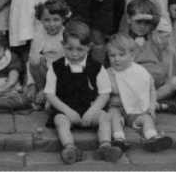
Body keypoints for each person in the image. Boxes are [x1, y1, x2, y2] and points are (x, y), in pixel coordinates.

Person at [44, 20, 122, 164]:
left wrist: (92, 111)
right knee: (60, 121)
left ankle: (105, 146)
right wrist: (67, 111)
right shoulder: (56, 67)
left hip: (89, 109)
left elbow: (104, 94)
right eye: (69, 48)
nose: (74, 54)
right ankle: (70, 148)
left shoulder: (97, 67)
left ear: (88, 47)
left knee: (104, 116)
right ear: (63, 45)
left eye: (79, 49)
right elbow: (50, 94)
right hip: (66, 111)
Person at [105, 34, 174, 153]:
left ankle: (152, 137)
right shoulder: (107, 73)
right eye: (112, 55)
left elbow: (151, 90)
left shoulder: (140, 71)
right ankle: (119, 139)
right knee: (112, 116)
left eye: (121, 55)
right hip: (117, 108)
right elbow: (102, 94)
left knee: (147, 118)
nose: (116, 59)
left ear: (131, 56)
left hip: (136, 109)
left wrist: (151, 108)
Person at [118, 0, 176, 113]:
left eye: (146, 23)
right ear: (129, 19)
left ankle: (146, 103)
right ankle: (156, 104)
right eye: (138, 22)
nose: (142, 26)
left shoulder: (155, 38)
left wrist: (153, 19)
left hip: (156, 83)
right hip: (136, 84)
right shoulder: (123, 40)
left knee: (175, 82)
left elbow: (167, 29)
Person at [25, 0, 68, 108]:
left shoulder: (66, 36)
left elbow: (66, 67)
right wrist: (31, 84)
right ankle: (41, 89)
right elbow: (31, 60)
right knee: (34, 59)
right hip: (42, 74)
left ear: (63, 19)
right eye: (47, 20)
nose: (51, 24)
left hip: (60, 76)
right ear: (41, 20)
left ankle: (48, 95)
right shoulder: (38, 34)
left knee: (49, 107)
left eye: (56, 19)